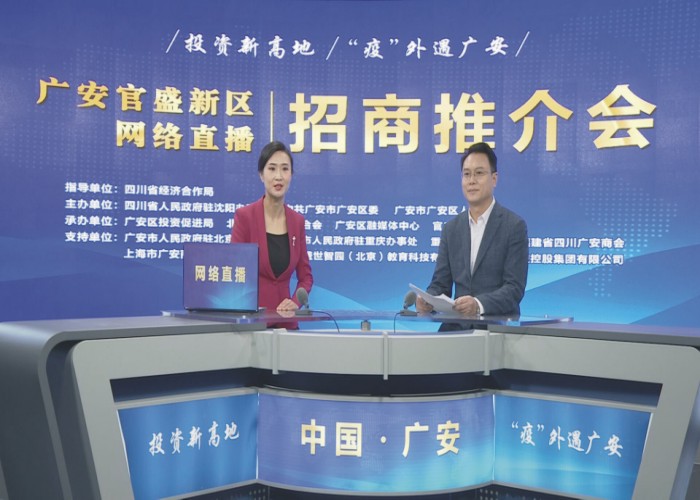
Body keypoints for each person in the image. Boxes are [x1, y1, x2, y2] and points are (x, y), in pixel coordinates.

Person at [416, 142, 528, 319]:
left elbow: (514, 289)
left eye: (479, 173)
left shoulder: (513, 226)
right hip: (456, 327)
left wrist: (478, 305)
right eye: (466, 174)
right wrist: (428, 299)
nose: (472, 181)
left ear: (494, 179)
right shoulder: (451, 229)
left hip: (496, 326)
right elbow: (440, 285)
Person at [231, 141, 313, 315]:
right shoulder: (244, 217)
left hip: (286, 321)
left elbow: (306, 277)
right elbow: (235, 271)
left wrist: (295, 302)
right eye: (272, 168)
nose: (279, 176)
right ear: (261, 175)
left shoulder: (297, 221)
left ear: (291, 175)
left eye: (285, 169)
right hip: (252, 320)